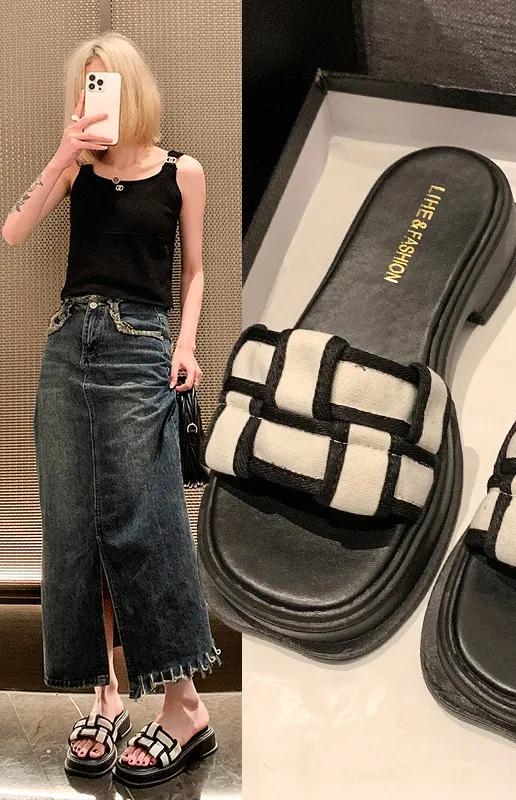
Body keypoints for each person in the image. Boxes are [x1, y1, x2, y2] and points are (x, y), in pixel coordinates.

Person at [2, 31, 219, 783]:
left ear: (133, 87)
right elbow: (12, 229)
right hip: (68, 345)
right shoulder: (79, 171)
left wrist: (185, 346)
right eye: (86, 84)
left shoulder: (182, 171)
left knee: (147, 522)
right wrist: (64, 151)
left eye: (106, 82)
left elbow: (194, 270)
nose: (95, 95)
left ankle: (185, 706)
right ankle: (103, 696)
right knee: (71, 527)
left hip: (140, 345)